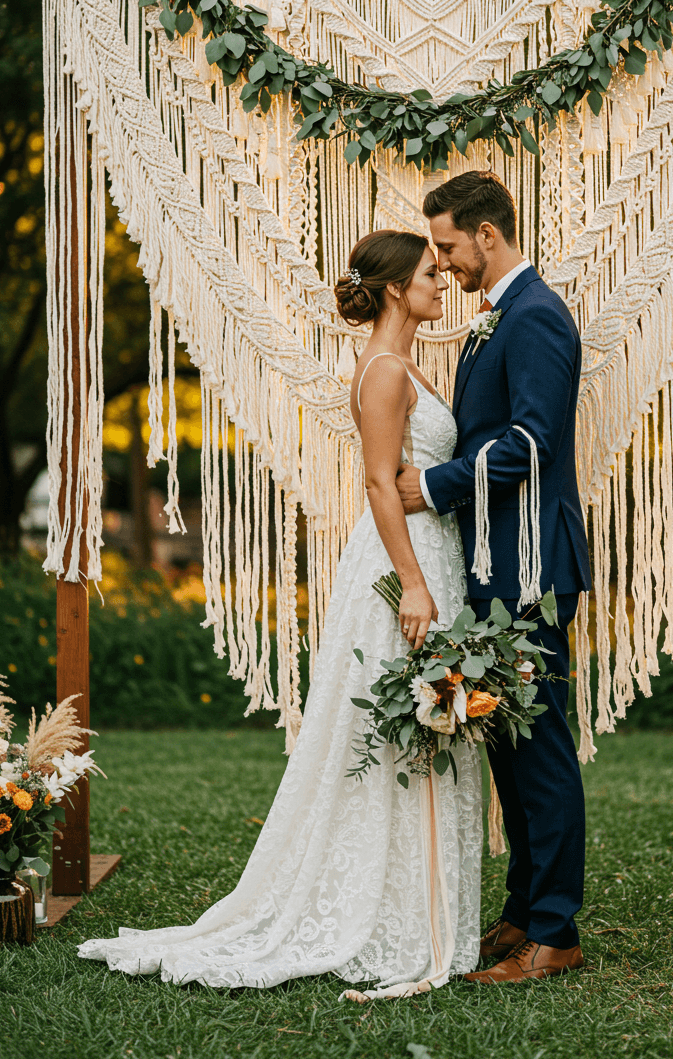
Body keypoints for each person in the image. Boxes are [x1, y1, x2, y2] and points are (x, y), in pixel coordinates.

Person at [77, 230, 482, 997]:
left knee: (427, 726)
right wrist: (415, 584)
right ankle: (396, 916)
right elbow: (374, 481)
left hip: (431, 553)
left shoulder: (408, 364)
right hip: (405, 565)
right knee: (401, 730)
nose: (442, 283)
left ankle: (427, 911)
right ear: (396, 289)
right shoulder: (386, 372)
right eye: (431, 273)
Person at [396, 169, 590, 984]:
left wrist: (434, 486)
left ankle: (557, 932)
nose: (442, 265)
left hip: (531, 565)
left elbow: (532, 440)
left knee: (540, 749)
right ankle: (521, 913)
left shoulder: (538, 316)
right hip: (494, 563)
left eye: (447, 247)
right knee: (509, 743)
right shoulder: (495, 319)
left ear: (487, 232)